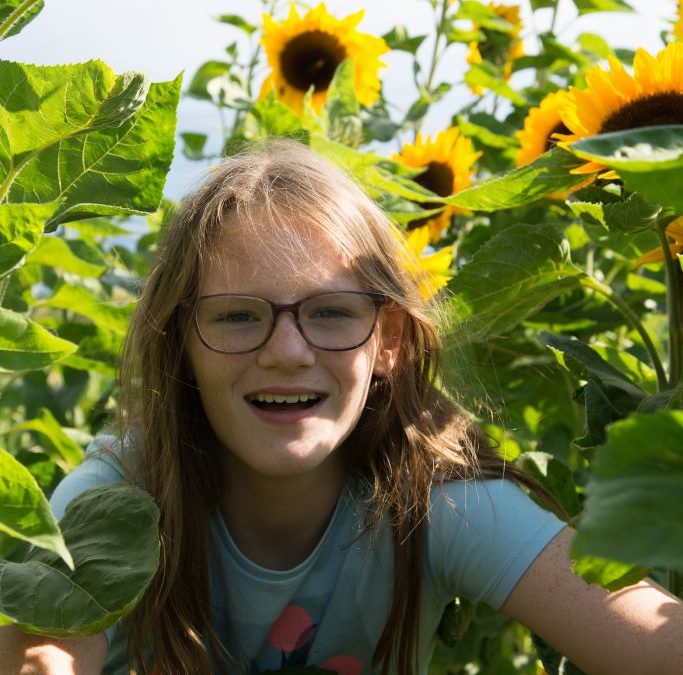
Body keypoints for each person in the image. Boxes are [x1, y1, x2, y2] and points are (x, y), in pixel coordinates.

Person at [2, 139, 681, 675]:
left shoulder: (432, 504)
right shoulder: (121, 495)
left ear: (387, 341)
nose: (288, 350)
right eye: (238, 316)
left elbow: (652, 642)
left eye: (330, 311)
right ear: (181, 344)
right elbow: (44, 651)